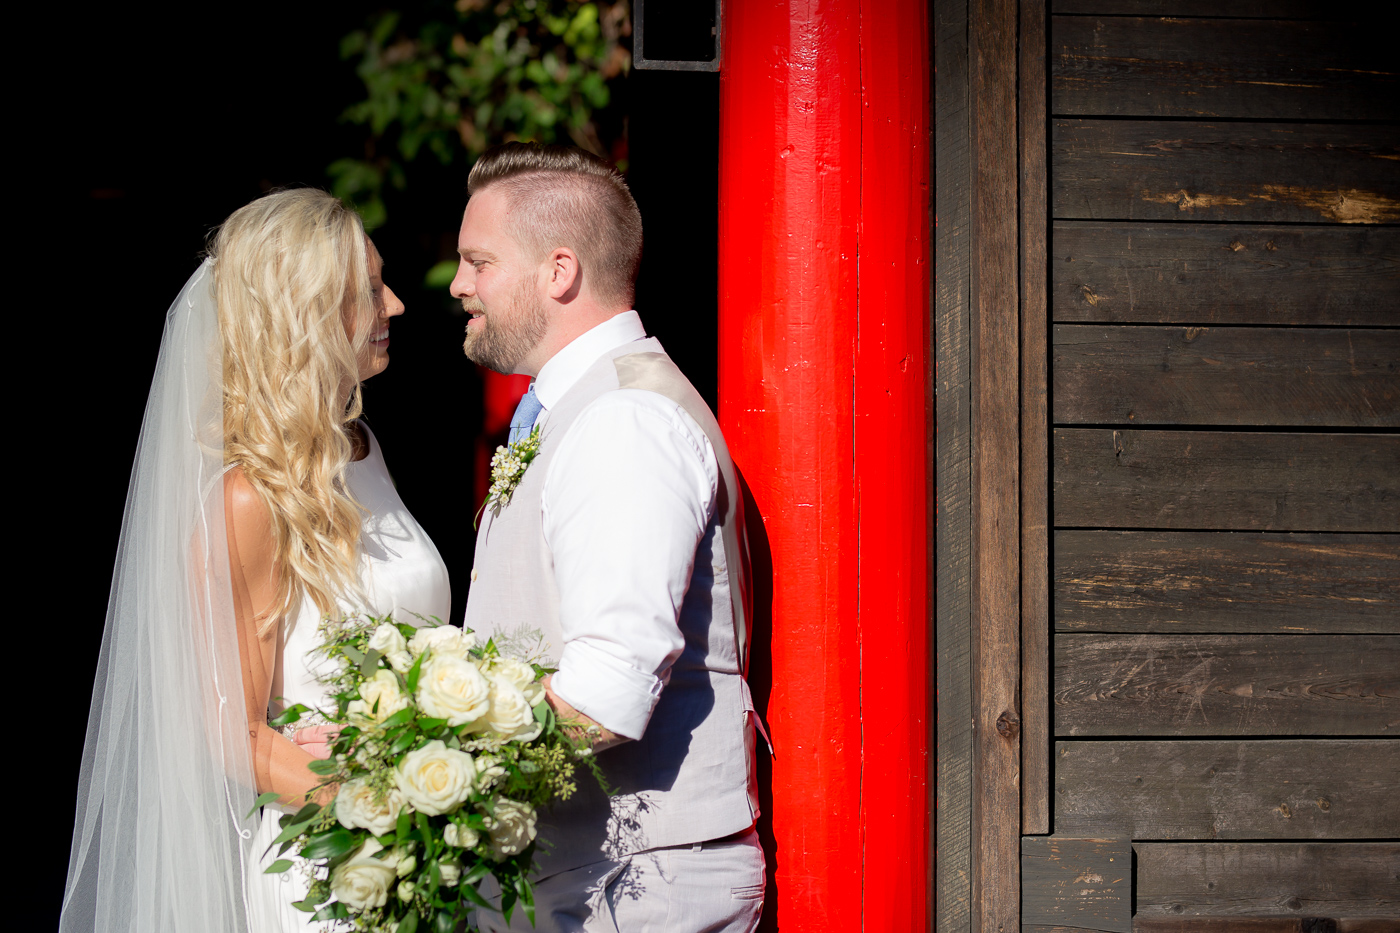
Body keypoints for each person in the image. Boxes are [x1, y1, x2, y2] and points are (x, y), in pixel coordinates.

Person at [60, 189, 451, 933]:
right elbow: (227, 731)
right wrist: (386, 811)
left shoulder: (364, 451)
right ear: (305, 313)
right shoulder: (248, 501)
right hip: (336, 869)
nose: (396, 304)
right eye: (369, 289)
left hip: (422, 848)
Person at [454, 143, 765, 932]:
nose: (459, 285)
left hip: (638, 882)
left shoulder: (624, 421)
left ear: (558, 271)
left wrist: (426, 771)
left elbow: (609, 688)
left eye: (478, 261)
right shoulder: (583, 410)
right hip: (594, 871)